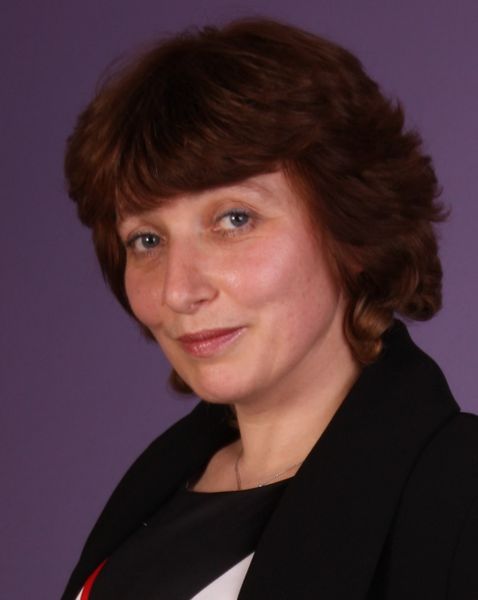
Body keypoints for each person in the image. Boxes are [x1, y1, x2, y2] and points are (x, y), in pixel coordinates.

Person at [61, 17, 478, 600]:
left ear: (353, 231)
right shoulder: (157, 488)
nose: (178, 290)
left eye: (235, 219)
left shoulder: (461, 499)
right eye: (147, 240)